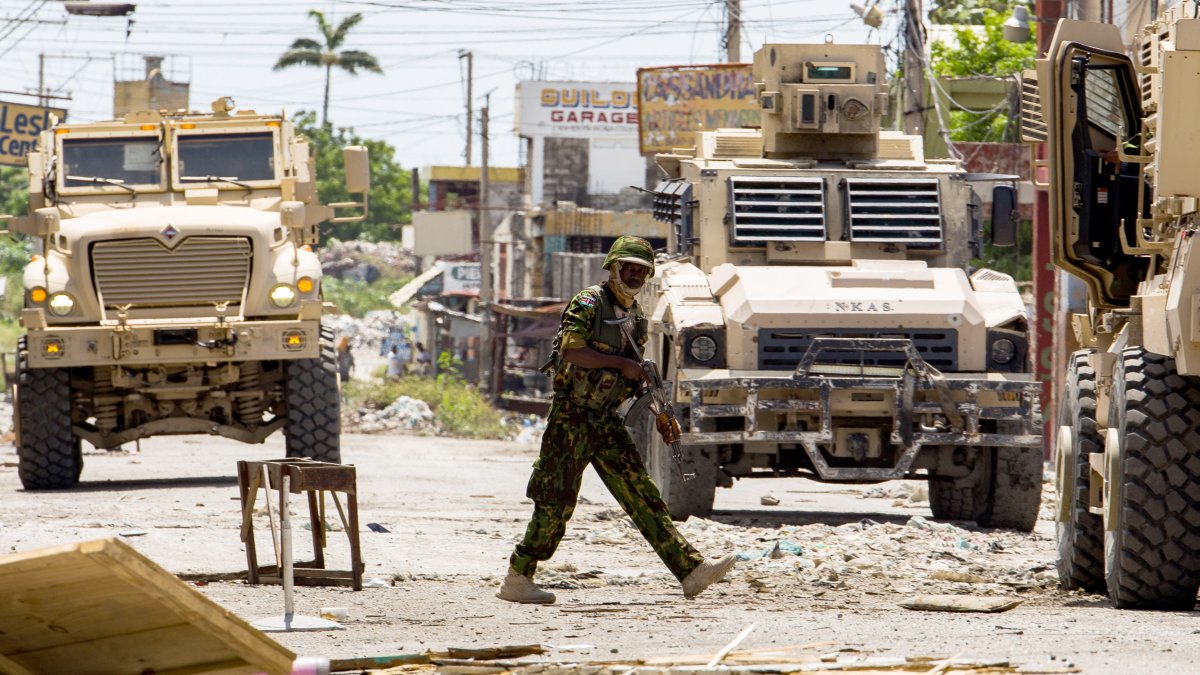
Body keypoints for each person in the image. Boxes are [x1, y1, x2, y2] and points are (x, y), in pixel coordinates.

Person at [497, 235, 735, 604]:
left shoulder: (636, 316)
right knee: (556, 502)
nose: (635, 275)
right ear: (613, 267)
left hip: (606, 421)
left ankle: (690, 570)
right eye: (629, 268)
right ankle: (518, 576)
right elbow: (573, 351)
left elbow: (634, 377)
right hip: (572, 418)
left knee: (643, 495)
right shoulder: (589, 302)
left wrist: (658, 411)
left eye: (642, 270)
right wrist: (623, 363)